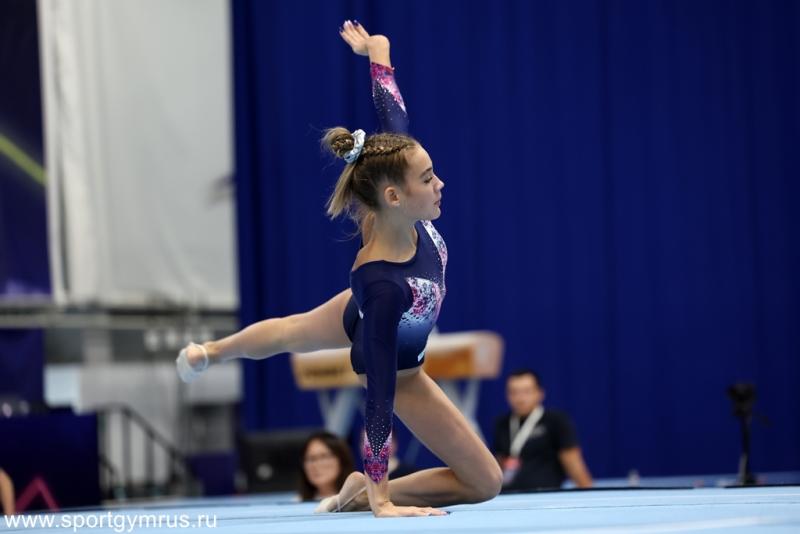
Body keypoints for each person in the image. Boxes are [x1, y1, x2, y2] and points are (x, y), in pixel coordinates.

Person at [175, 20, 502, 517]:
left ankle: (211, 351)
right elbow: (380, 396)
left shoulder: (393, 189)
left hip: (364, 312)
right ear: (395, 197)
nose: (440, 184)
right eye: (429, 178)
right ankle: (362, 492)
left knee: (291, 330)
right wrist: (382, 500)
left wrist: (378, 51)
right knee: (485, 482)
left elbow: (393, 115)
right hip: (396, 366)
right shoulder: (384, 287)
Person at [493, 369, 593, 490]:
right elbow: (499, 464)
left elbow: (573, 462)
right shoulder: (502, 423)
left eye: (526, 392)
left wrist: (588, 492)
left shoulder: (555, 421)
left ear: (540, 393)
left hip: (544, 495)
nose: (520, 398)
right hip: (509, 495)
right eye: (514, 392)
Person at [298, 431, 355, 501]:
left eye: (324, 456)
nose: (316, 465)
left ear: (342, 460)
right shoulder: (296, 503)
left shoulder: (359, 501)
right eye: (311, 459)